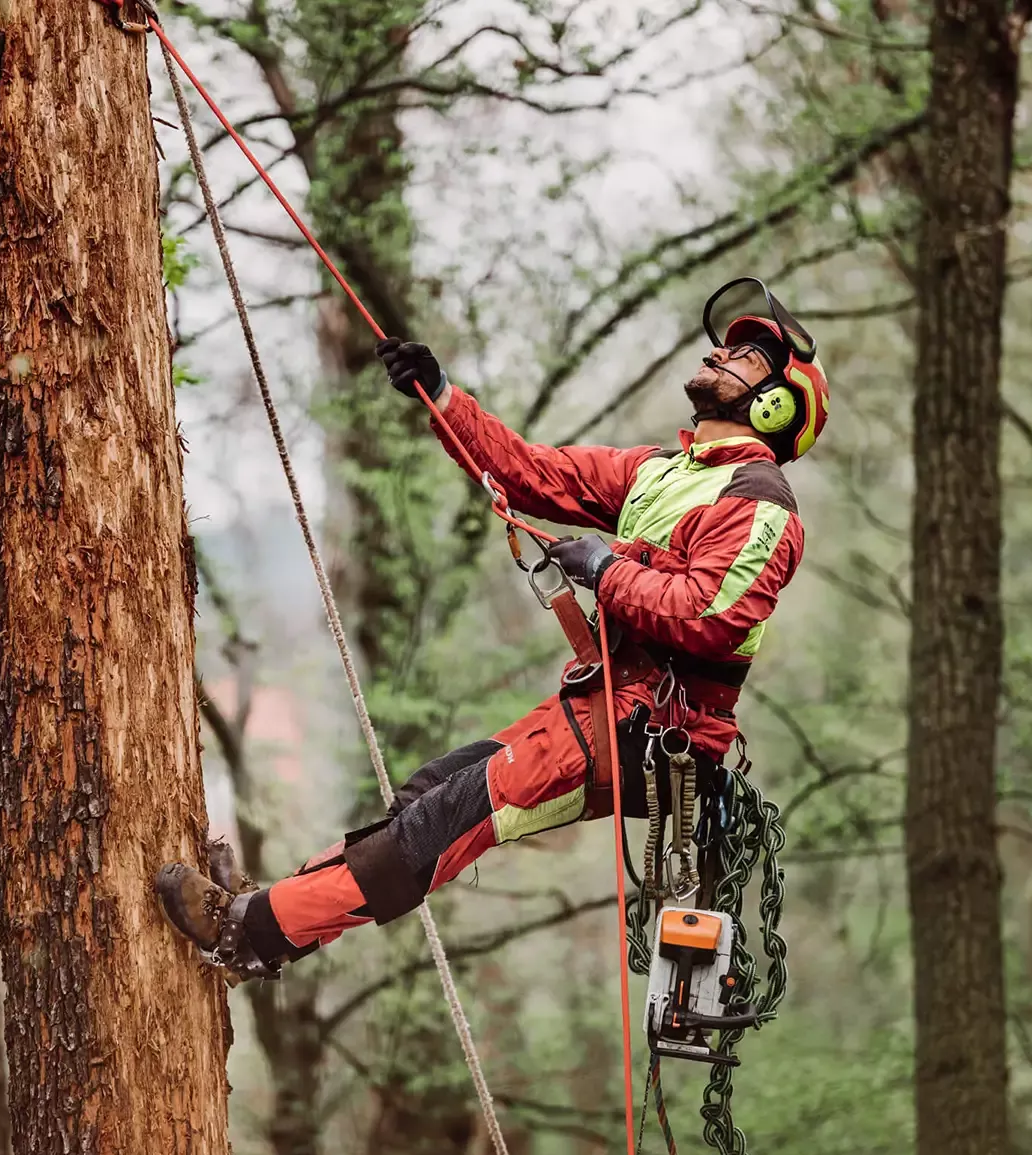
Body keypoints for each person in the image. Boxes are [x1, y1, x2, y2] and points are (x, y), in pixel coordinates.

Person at [157, 277, 829, 981]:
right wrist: (443, 397)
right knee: (428, 794)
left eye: (747, 358)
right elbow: (528, 472)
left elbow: (711, 616)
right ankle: (273, 921)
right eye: (727, 345)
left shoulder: (759, 502)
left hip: (658, 730)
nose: (722, 355)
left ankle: (251, 931)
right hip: (601, 707)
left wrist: (604, 571)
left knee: (447, 819)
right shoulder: (660, 472)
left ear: (777, 404)